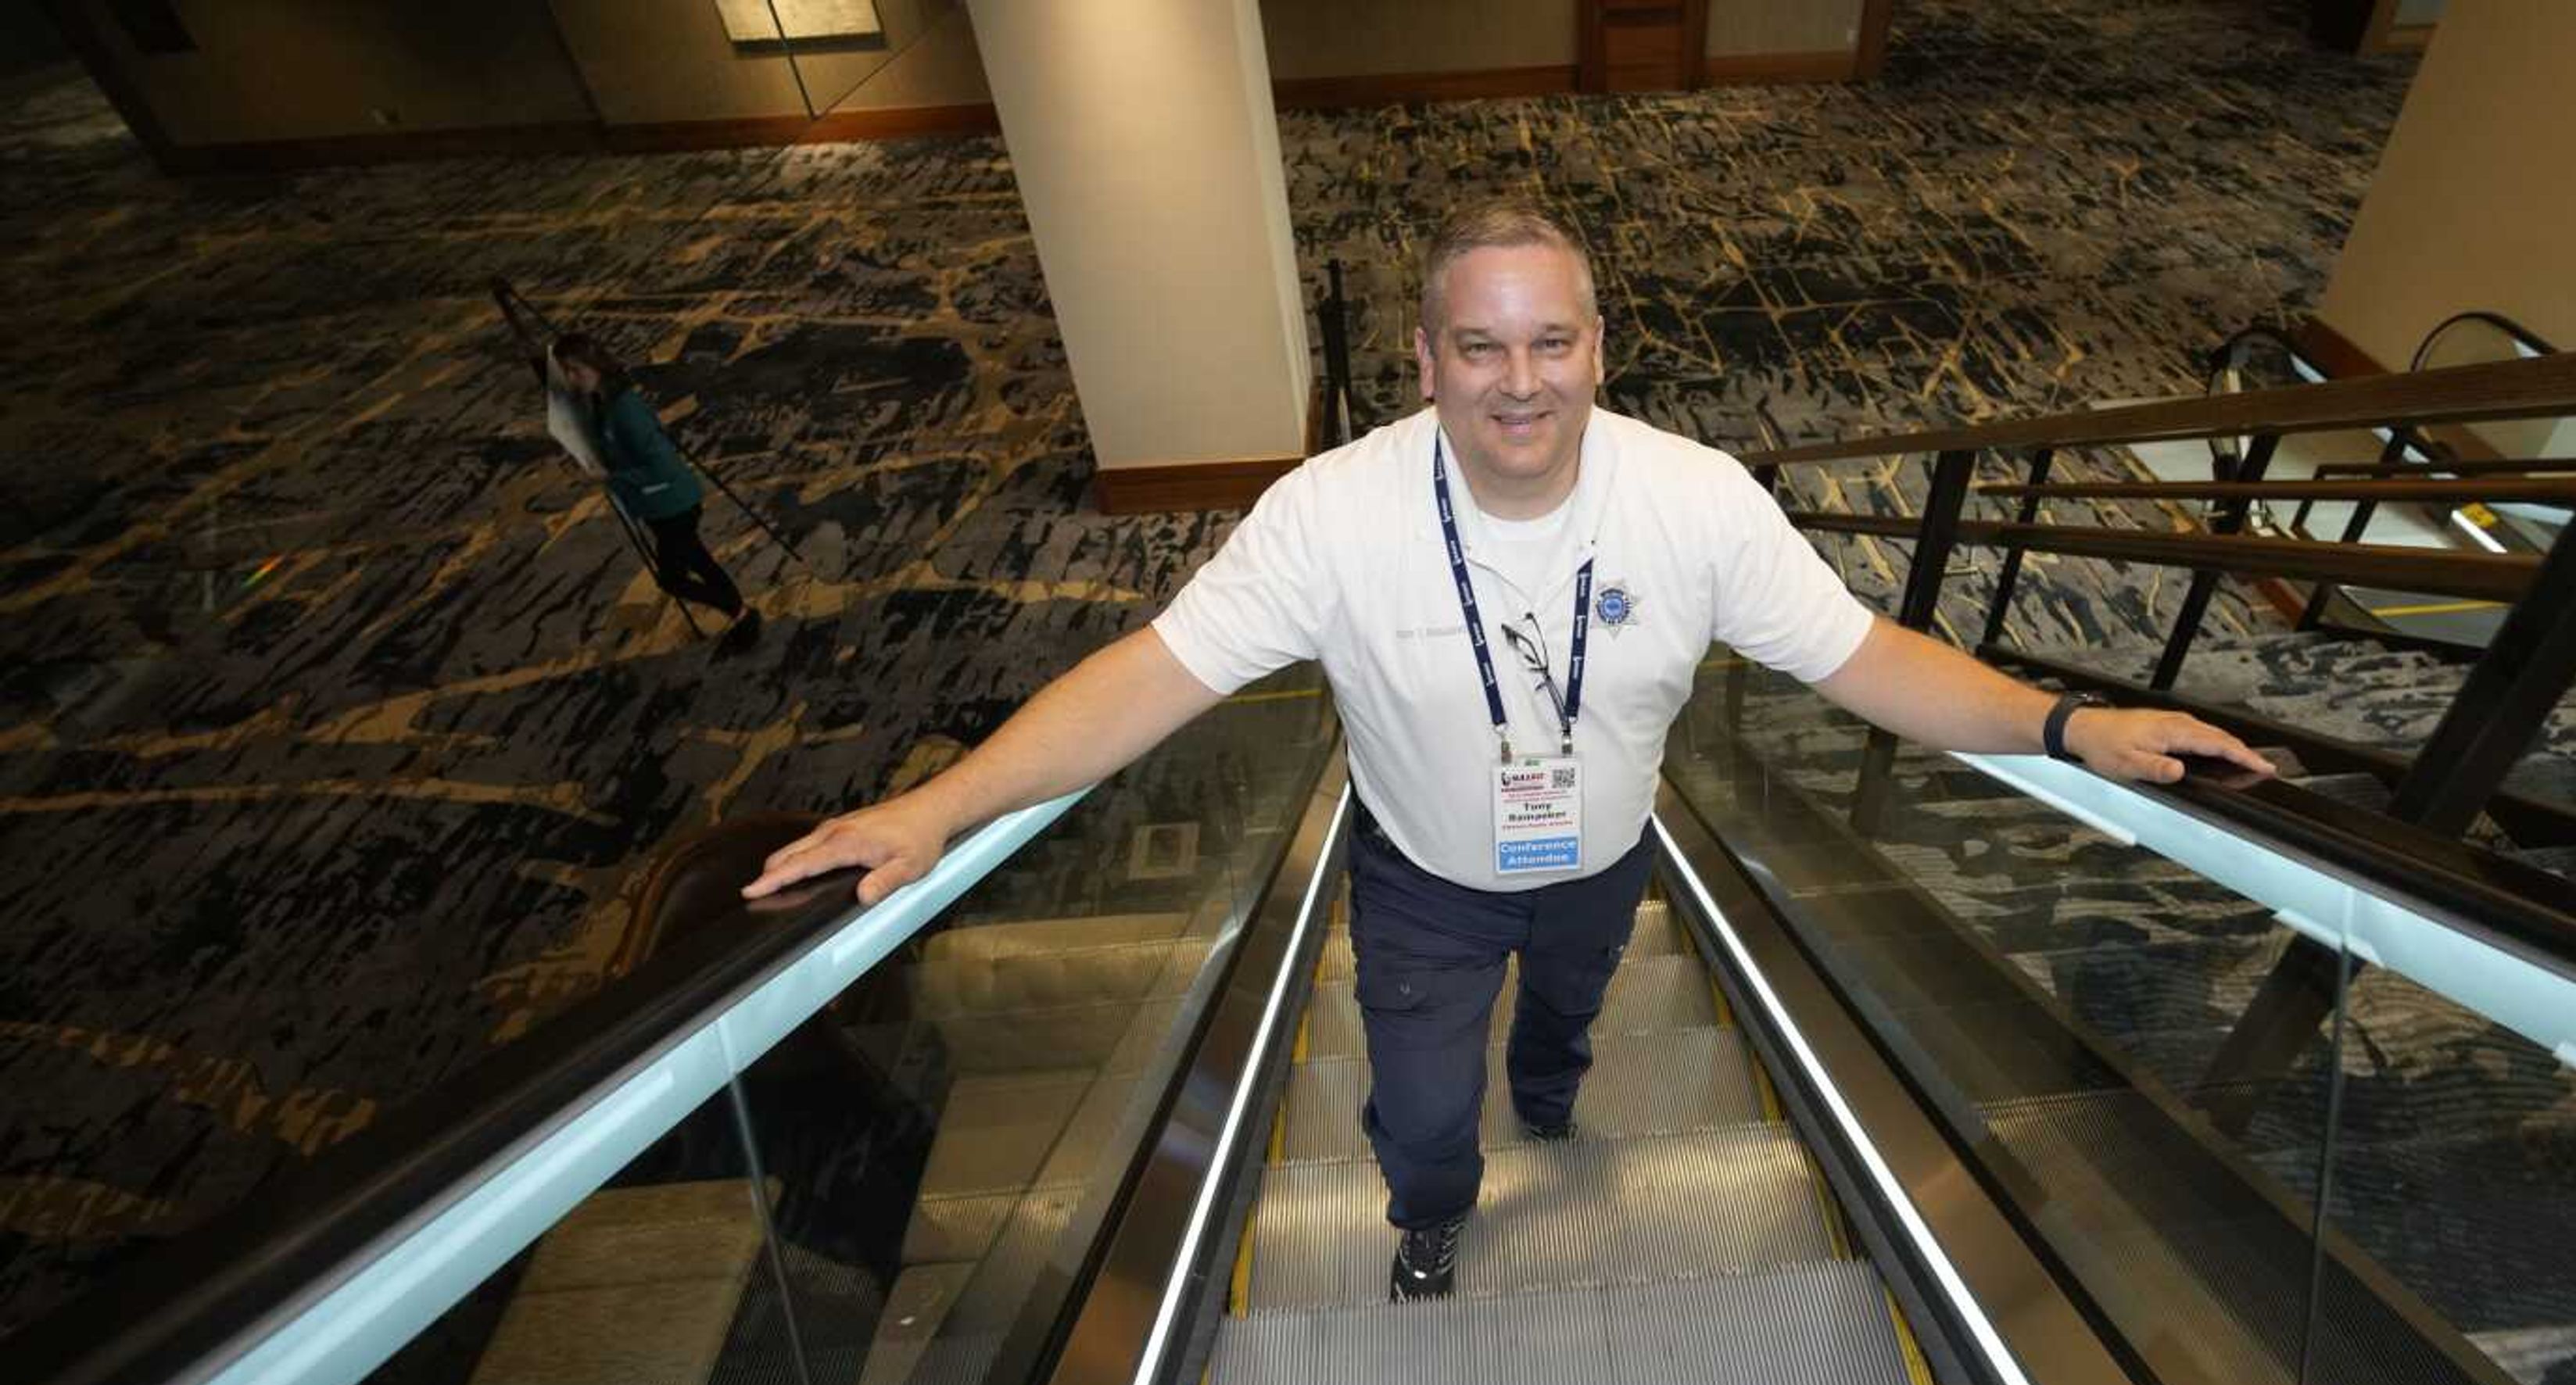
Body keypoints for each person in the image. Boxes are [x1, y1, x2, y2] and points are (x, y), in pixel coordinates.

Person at [743, 201, 2269, 1301]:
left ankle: (1549, 1091)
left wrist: (2066, 724)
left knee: (1570, 1023)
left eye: (1551, 341)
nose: (1520, 380)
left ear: (1601, 347)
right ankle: (1430, 1212)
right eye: (1482, 347)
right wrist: (940, 807)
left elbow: (1871, 661)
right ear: (1425, 360)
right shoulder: (1331, 518)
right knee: (1418, 1106)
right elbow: (1147, 678)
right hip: (1420, 886)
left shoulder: (1700, 503)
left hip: (1607, 862)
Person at [550, 334, 760, 653]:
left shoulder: (625, 411)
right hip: (660, 505)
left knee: (672, 579)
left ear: (595, 367)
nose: (570, 379)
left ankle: (741, 613)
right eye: (566, 371)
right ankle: (743, 618)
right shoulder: (603, 400)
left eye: (575, 370)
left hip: (673, 503)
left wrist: (611, 475)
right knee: (699, 560)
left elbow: (659, 465)